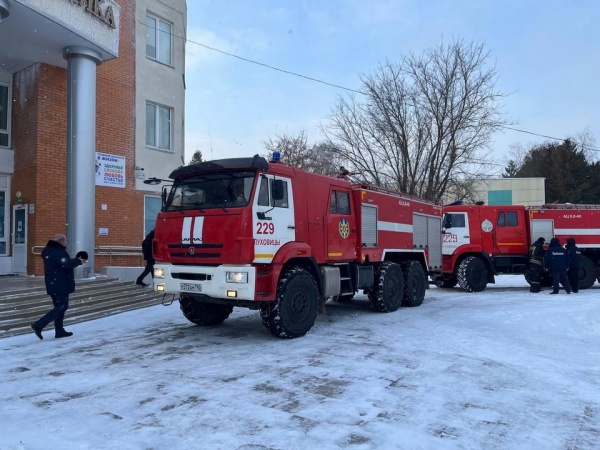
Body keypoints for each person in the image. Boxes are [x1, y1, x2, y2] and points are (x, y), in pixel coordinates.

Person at [31, 234, 87, 340]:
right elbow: (66, 263)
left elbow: (64, 263)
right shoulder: (56, 251)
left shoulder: (52, 250)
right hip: (59, 284)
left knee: (60, 307)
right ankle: (38, 325)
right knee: (62, 306)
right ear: (61, 241)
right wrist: (78, 261)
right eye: (65, 240)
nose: (67, 242)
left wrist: (74, 261)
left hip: (56, 283)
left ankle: (59, 330)